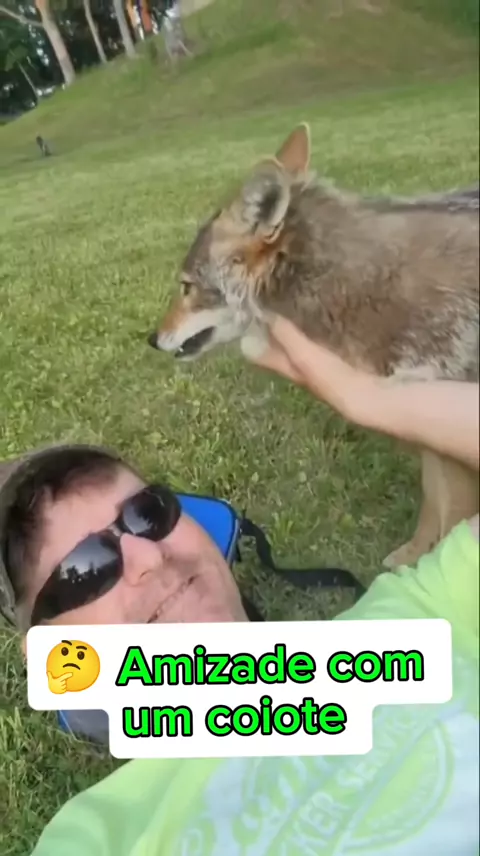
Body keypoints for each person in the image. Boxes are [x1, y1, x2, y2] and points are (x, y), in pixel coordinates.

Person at [1, 316, 478, 856]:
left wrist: (373, 400)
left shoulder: (412, 617)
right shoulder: (106, 836)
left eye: (146, 512)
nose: (149, 556)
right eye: (86, 568)